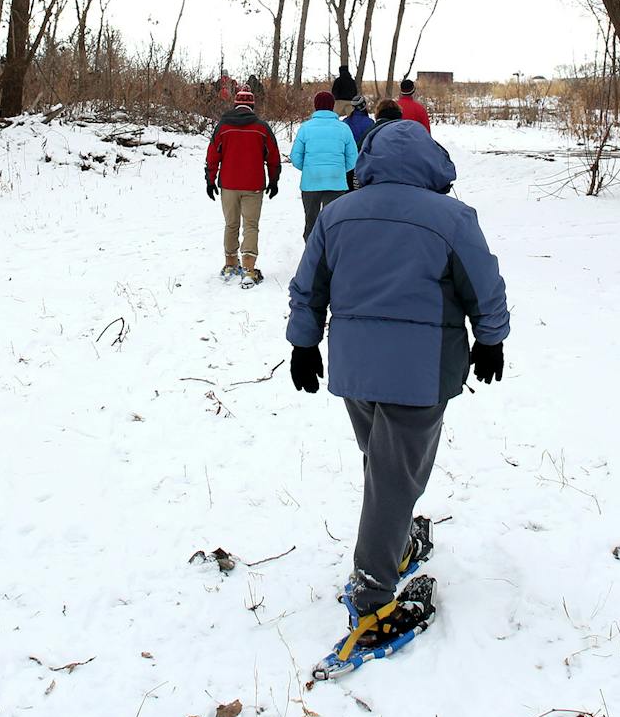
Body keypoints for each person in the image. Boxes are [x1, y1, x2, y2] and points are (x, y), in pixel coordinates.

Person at [286, 118, 509, 673]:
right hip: (420, 372)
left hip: (356, 368)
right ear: (433, 163)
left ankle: (396, 538)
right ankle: (372, 595)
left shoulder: (337, 213)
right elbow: (484, 284)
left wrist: (304, 344)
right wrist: (491, 337)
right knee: (394, 473)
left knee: (383, 464)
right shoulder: (453, 218)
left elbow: (308, 286)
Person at [205, 88, 281, 283]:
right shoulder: (262, 128)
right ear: (253, 106)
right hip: (253, 185)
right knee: (250, 225)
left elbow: (213, 155)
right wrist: (273, 180)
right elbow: (273, 157)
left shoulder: (223, 127)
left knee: (231, 224)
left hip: (228, 185)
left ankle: (230, 263)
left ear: (235, 104)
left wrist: (210, 180)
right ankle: (248, 267)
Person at [288, 91, 359, 238]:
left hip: (311, 182)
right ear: (332, 106)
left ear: (315, 106)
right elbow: (353, 158)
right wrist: (339, 169)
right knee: (334, 223)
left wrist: (308, 168)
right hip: (336, 182)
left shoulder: (305, 128)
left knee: (311, 223)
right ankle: (331, 256)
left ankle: (312, 255)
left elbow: (295, 157)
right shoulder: (343, 128)